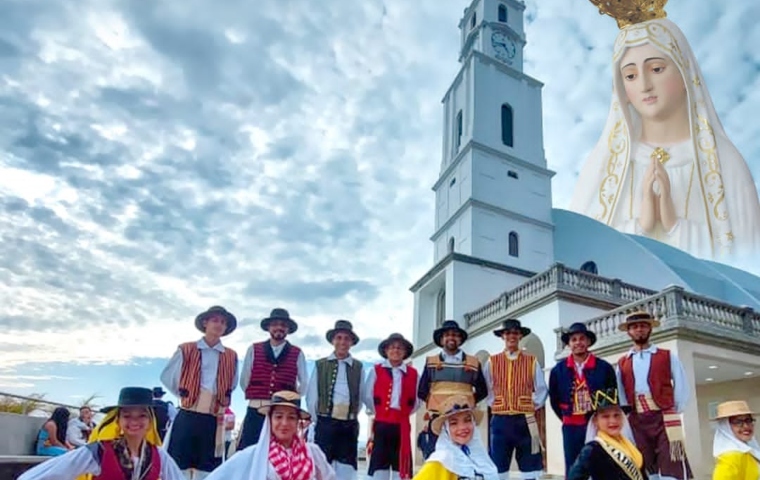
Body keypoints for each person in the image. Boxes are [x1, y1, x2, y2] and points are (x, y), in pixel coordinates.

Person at [568, 1, 760, 261]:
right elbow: (581, 257)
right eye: (631, 76)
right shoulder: (601, 168)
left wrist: (675, 225)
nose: (645, 85)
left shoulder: (725, 163)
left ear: (685, 73)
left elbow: (747, 261)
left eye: (656, 69)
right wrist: (641, 226)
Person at [18, 386, 185, 480]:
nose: (134, 421)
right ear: (118, 421)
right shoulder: (100, 451)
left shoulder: (158, 455)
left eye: (142, 416)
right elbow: (38, 476)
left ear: (150, 422)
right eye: (127, 416)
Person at [160, 306, 239, 480]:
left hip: (213, 418)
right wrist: (187, 395)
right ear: (205, 323)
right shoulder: (186, 349)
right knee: (179, 466)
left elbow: (232, 384)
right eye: (215, 320)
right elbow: (168, 377)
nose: (219, 325)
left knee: (209, 469)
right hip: (188, 414)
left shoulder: (231, 356)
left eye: (223, 322)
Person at [615, 310, 692, 480]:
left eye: (643, 326)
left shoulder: (666, 356)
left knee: (671, 458)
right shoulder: (623, 362)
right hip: (636, 417)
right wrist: (626, 412)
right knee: (643, 460)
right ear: (628, 332)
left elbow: (680, 382)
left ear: (650, 329)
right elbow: (620, 391)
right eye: (634, 327)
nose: (639, 330)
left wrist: (675, 407)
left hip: (663, 416)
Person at [204, 391, 336, 480]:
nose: (284, 423)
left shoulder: (312, 452)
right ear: (270, 420)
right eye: (278, 417)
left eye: (291, 417)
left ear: (297, 422)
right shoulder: (254, 454)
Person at [483, 319, 548, 480]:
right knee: (498, 461)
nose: (511, 336)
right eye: (508, 333)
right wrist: (497, 403)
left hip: (525, 420)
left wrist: (532, 404)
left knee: (530, 461)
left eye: (515, 333)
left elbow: (541, 389)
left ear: (520, 336)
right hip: (500, 420)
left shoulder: (531, 361)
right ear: (502, 337)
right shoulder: (492, 361)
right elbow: (486, 388)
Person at [549, 322, 618, 473]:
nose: (578, 342)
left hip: (598, 426)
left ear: (588, 342)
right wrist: (567, 416)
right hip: (571, 427)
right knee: (574, 468)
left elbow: (613, 399)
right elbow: (554, 400)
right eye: (574, 339)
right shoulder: (557, 371)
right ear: (569, 344)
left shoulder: (604, 368)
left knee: (600, 466)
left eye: (582, 338)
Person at [237, 308, 308, 451]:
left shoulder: (297, 353)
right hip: (256, 408)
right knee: (249, 451)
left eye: (283, 325)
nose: (279, 328)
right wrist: (258, 394)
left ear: (288, 330)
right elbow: (244, 380)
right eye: (275, 324)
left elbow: (304, 383)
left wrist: (288, 399)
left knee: (280, 452)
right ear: (269, 327)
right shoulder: (253, 349)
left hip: (281, 412)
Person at [306, 320, 368, 480]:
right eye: (339, 338)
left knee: (346, 466)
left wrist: (350, 414)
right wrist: (317, 418)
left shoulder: (358, 367)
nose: (342, 342)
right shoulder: (321, 365)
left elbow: (361, 395)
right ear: (333, 341)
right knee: (322, 464)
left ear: (351, 342)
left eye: (346, 338)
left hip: (348, 424)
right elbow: (312, 394)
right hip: (325, 421)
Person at [416, 320, 488, 459]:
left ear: (460, 339)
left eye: (455, 335)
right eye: (447, 335)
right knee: (437, 457)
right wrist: (439, 406)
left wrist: (466, 404)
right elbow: (422, 390)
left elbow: (483, 390)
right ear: (442, 339)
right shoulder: (431, 362)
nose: (451, 338)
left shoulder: (473, 362)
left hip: (464, 419)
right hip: (438, 419)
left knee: (465, 456)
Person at [363, 333, 420, 480]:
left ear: (405, 352)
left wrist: (404, 413)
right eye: (392, 347)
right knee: (379, 464)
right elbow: (367, 396)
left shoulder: (413, 374)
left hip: (402, 425)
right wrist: (381, 412)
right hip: (382, 423)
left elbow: (417, 401)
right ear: (386, 350)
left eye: (400, 348)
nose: (396, 350)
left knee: (400, 464)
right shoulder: (376, 370)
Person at [567, 387, 647, 480]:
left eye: (616, 415)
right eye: (605, 416)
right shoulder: (592, 449)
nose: (612, 421)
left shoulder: (630, 446)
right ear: (595, 421)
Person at [412, 394, 498, 480]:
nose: (462, 427)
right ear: (446, 429)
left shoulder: (481, 457)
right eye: (454, 423)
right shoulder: (441, 461)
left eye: (467, 420)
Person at [711, 400, 759, 480]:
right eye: (738, 422)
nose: (746, 426)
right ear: (726, 427)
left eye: (748, 420)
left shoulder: (747, 452)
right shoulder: (730, 458)